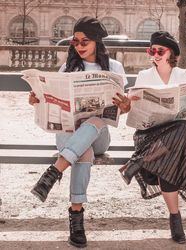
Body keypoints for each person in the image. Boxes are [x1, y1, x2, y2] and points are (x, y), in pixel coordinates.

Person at [29, 16, 127, 248]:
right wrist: (37, 99)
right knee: (83, 153)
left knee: (94, 119)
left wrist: (125, 106)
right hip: (69, 133)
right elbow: (52, 103)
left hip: (99, 134)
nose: (79, 46)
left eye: (85, 41)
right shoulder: (68, 67)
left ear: (97, 42)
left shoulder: (114, 68)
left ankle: (54, 172)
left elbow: (119, 111)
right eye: (75, 42)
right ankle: (76, 220)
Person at [113, 31, 186, 244]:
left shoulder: (184, 75)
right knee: (183, 135)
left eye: (160, 50)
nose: (155, 54)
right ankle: (175, 218)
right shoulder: (143, 77)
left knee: (184, 130)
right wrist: (127, 105)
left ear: (171, 53)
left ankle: (141, 163)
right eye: (152, 50)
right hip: (149, 136)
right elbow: (129, 111)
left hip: (174, 138)